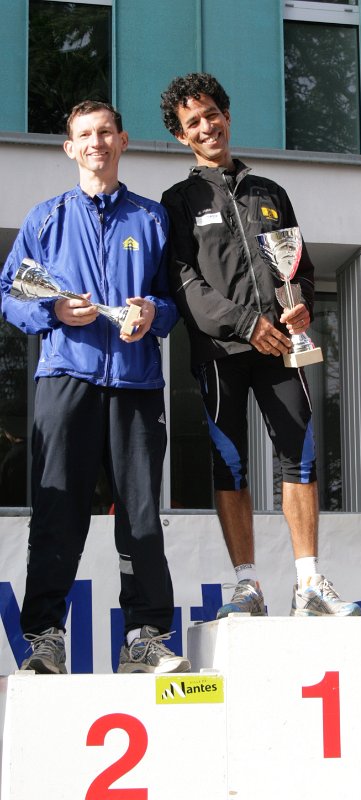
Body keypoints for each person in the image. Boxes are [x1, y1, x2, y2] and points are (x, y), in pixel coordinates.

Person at [160, 73, 360, 619]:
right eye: (193, 122)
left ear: (227, 115)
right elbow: (183, 283)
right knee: (230, 465)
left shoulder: (270, 192)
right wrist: (245, 324)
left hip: (281, 347)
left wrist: (301, 307)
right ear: (181, 136)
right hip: (221, 352)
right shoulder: (177, 201)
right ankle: (247, 586)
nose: (207, 126)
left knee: (302, 456)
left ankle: (309, 582)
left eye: (212, 114)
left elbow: (300, 267)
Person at [0, 100, 190, 675]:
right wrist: (53, 310)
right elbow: (10, 294)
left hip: (136, 384)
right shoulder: (45, 218)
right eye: (84, 134)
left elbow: (174, 300)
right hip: (65, 379)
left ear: (122, 141)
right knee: (57, 511)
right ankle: (45, 639)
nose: (96, 143)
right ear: (70, 148)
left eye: (105, 132)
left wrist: (152, 314)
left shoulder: (152, 218)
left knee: (141, 515)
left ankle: (145, 638)